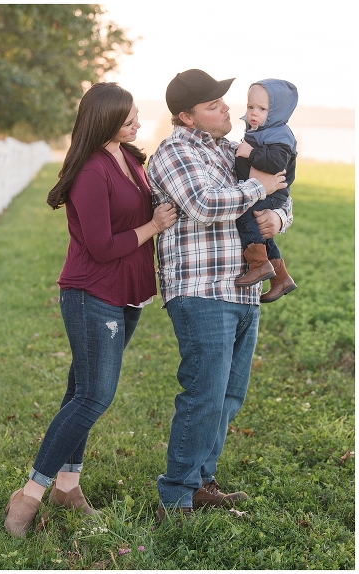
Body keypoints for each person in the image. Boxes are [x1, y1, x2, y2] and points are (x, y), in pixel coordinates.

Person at [2, 82, 177, 538]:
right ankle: (29, 494)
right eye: (128, 118)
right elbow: (101, 246)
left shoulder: (131, 159)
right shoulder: (90, 171)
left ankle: (68, 486)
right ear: (104, 120)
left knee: (81, 390)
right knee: (95, 396)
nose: (137, 123)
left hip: (128, 293)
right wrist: (154, 226)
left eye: (137, 115)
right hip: (92, 290)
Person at [147, 69, 292, 524]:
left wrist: (278, 221)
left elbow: (281, 187)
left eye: (224, 101)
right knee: (204, 393)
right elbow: (206, 204)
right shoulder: (173, 151)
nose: (227, 109)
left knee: (229, 395)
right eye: (213, 105)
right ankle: (175, 497)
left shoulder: (232, 150)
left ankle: (202, 482)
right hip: (201, 288)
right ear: (187, 117)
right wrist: (259, 189)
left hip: (244, 289)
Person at [234, 79, 298, 302]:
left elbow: (275, 164)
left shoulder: (279, 135)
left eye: (262, 109)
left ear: (276, 113)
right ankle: (281, 278)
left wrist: (250, 153)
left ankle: (259, 265)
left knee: (245, 216)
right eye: (250, 107)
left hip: (272, 192)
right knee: (260, 233)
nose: (253, 113)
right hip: (264, 191)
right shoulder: (260, 130)